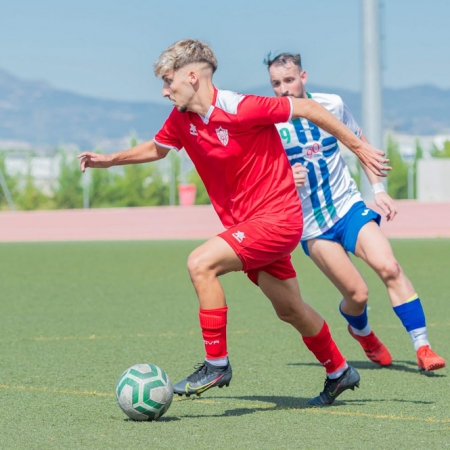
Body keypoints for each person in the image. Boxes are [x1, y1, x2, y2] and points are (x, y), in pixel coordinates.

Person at [78, 39, 391, 406]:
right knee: (290, 309)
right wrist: (110, 160)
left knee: (201, 263)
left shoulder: (241, 107)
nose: (164, 91)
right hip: (249, 225)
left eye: (168, 81)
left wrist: (359, 148)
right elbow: (158, 148)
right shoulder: (182, 119)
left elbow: (306, 107)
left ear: (192, 76)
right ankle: (339, 371)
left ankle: (217, 363)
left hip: (277, 220)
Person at [265, 52, 445, 372]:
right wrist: (284, 177)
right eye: (276, 83)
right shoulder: (268, 122)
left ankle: (423, 347)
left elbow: (360, 144)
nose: (283, 89)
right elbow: (257, 174)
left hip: (348, 207)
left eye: (288, 80)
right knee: (357, 294)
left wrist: (378, 190)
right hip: (312, 226)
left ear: (303, 77)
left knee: (389, 266)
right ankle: (362, 331)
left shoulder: (331, 105)